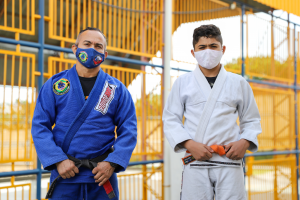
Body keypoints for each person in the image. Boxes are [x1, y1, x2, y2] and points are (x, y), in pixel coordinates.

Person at [31, 27, 137, 200]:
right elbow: (39, 126)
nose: (92, 49)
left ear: (105, 53)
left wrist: (112, 163)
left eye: (98, 46)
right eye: (87, 44)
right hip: (65, 173)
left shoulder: (116, 89)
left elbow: (129, 129)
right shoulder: (56, 84)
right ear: (75, 48)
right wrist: (58, 160)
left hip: (102, 176)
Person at [162, 24, 261, 200]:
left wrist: (244, 142)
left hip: (229, 161)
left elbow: (251, 119)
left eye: (213, 46)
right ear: (193, 52)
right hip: (196, 161)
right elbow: (170, 119)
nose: (208, 51)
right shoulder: (182, 83)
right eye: (202, 47)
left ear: (222, 49)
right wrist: (190, 144)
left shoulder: (238, 83)